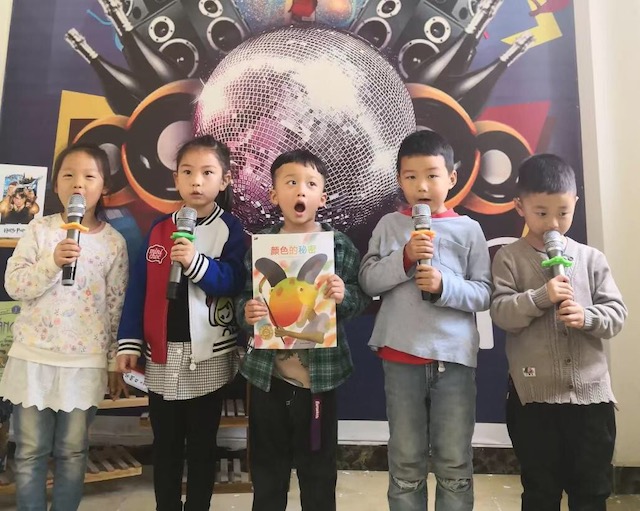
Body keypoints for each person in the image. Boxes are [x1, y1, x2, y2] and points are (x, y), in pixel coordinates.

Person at [358, 130, 492, 511]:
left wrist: (444, 285)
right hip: (400, 357)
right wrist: (404, 258)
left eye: (432, 175)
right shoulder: (388, 225)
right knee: (405, 462)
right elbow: (367, 281)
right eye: (411, 176)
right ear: (399, 180)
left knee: (454, 463)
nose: (421, 186)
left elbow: (484, 292)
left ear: (452, 178)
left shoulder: (469, 229)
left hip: (454, 360)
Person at [490, 154, 627, 511]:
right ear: (520, 207)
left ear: (575, 203)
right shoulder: (509, 258)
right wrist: (541, 296)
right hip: (534, 401)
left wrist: (586, 316)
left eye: (563, 212)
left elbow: (616, 315)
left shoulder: (591, 259)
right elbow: (502, 313)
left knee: (592, 492)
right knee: (540, 492)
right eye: (541, 212)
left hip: (591, 402)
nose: (553, 223)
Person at [116, 135, 247, 511]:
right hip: (162, 355)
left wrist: (195, 262)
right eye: (187, 172)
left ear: (224, 180)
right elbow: (139, 289)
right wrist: (129, 341)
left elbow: (233, 281)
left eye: (207, 172)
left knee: (202, 445)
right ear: (175, 179)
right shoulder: (160, 228)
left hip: (206, 356)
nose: (196, 181)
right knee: (167, 444)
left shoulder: (231, 230)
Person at [236, 149, 370, 511]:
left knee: (318, 470)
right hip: (267, 377)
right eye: (291, 182)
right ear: (273, 194)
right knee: (268, 469)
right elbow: (243, 298)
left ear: (321, 197)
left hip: (319, 380)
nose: (301, 190)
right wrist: (247, 312)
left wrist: (343, 295)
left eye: (311, 184)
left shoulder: (338, 245)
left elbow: (360, 299)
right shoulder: (261, 245)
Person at [0, 143, 129, 510]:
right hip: (33, 358)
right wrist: (52, 263)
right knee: (30, 451)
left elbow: (115, 306)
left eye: (89, 176)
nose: (78, 184)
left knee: (72, 452)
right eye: (69, 175)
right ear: (56, 184)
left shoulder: (114, 243)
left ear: (104, 186)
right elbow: (15, 285)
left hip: (83, 363)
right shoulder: (39, 230)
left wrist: (111, 361)